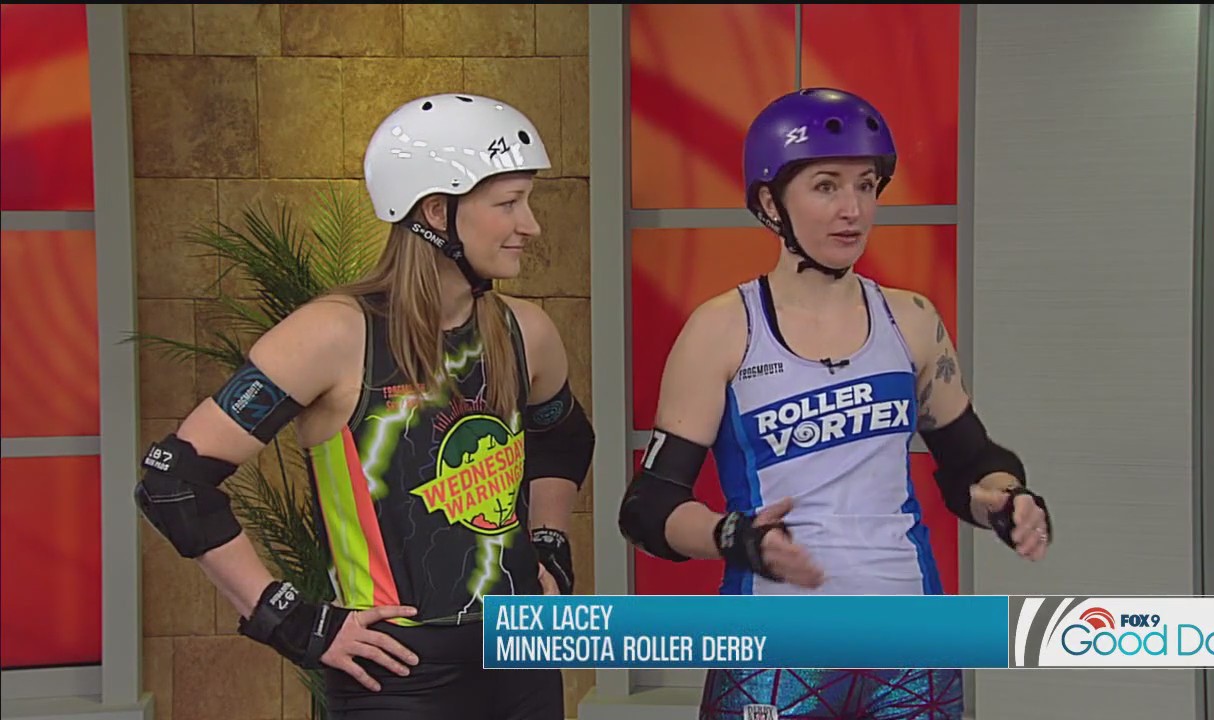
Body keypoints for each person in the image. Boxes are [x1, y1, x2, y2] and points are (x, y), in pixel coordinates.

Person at [133, 93, 595, 719]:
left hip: (522, 659)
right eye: (508, 203)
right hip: (397, 677)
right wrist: (291, 621)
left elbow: (563, 437)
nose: (531, 225)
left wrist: (550, 543)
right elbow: (174, 481)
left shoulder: (525, 330)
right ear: (437, 211)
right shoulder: (332, 335)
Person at [617, 87, 1054, 720]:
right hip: (774, 651)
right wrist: (732, 536)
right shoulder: (722, 329)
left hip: (912, 644)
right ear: (770, 202)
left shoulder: (912, 319)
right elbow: (648, 507)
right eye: (826, 186)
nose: (853, 210)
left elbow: (972, 463)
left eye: (866, 186)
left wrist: (1005, 501)